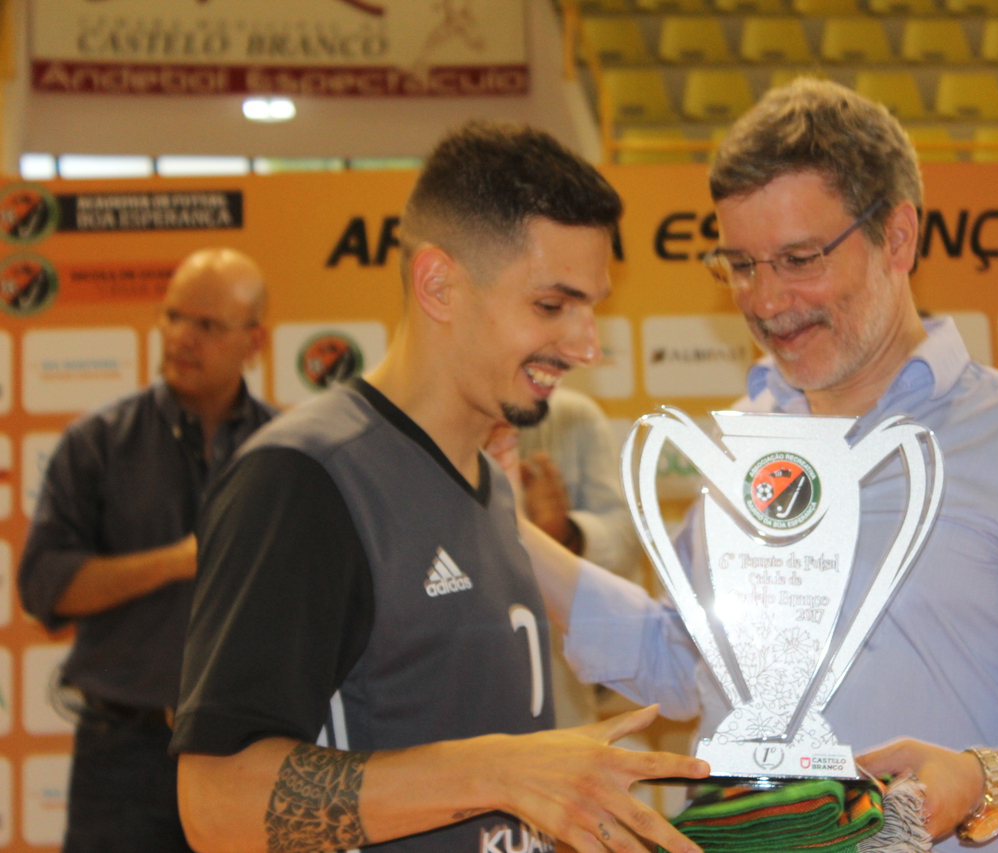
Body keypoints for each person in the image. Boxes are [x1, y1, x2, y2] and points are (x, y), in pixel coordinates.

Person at [520, 79, 998, 852]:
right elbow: (682, 656)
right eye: (739, 264)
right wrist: (502, 531)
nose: (767, 300)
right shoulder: (749, 443)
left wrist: (989, 780)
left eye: (798, 259)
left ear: (897, 237)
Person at [170, 122, 708, 853]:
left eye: (592, 307)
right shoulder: (305, 477)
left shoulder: (485, 478)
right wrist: (495, 770)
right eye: (552, 306)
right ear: (439, 283)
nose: (586, 345)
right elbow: (216, 802)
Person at [18, 247, 275, 853]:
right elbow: (43, 585)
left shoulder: (287, 453)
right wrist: (177, 561)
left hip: (249, 753)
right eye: (173, 317)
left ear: (255, 341)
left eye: (206, 325)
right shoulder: (97, 443)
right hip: (121, 754)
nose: (182, 337)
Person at [516, 386, 642, 729]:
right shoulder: (403, 417)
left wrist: (565, 535)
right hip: (440, 719)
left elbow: (626, 542)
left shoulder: (572, 415)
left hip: (560, 709)